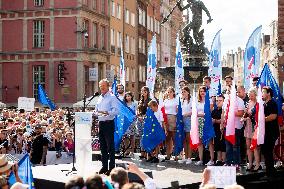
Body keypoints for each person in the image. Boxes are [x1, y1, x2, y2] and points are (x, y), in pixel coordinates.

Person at [96, 79, 118, 175]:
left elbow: (116, 111)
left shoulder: (112, 97)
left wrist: (106, 112)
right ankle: (104, 167)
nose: (101, 88)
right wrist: (94, 113)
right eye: (100, 86)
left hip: (109, 123)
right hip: (101, 123)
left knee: (110, 147)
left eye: (103, 86)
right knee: (103, 147)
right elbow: (97, 110)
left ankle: (112, 167)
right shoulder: (99, 98)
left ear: (108, 86)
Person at [261, 86, 280, 177]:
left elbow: (273, 116)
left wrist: (261, 119)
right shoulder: (264, 104)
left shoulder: (272, 103)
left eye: (263, 92)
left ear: (268, 93)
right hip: (265, 132)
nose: (262, 94)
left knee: (268, 151)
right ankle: (270, 171)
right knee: (265, 151)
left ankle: (270, 173)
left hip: (271, 132)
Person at [242, 87, 261, 171]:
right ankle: (250, 164)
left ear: (256, 95)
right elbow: (245, 114)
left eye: (252, 95)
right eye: (249, 95)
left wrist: (246, 118)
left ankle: (257, 164)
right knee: (248, 146)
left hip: (254, 127)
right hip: (247, 126)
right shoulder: (248, 103)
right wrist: (244, 117)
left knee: (255, 147)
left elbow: (256, 116)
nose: (250, 97)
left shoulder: (258, 104)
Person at [178, 86, 192, 164]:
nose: (183, 93)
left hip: (188, 120)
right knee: (183, 139)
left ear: (188, 92)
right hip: (181, 120)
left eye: (184, 92)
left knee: (188, 138)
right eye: (182, 92)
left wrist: (186, 114)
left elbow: (193, 111)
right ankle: (185, 156)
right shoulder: (181, 101)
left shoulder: (191, 100)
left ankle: (189, 157)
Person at [163, 87, 178, 161]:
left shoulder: (176, 100)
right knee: (167, 137)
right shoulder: (165, 100)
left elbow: (177, 110)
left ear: (173, 92)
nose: (169, 93)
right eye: (168, 92)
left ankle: (176, 155)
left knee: (174, 137)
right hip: (166, 118)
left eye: (170, 92)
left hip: (173, 117)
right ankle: (168, 154)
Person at [137, 86, 151, 159]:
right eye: (142, 91)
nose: (143, 93)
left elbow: (150, 111)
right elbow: (138, 110)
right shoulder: (140, 100)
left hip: (146, 120)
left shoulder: (149, 100)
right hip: (139, 120)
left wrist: (144, 117)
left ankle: (146, 152)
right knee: (141, 136)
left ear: (147, 92)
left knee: (145, 136)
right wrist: (139, 116)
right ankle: (142, 152)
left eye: (145, 91)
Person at [212, 95, 226, 165]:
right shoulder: (214, 110)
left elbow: (224, 120)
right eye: (217, 101)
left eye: (220, 101)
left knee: (223, 145)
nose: (218, 102)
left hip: (223, 130)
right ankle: (219, 159)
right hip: (216, 130)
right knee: (217, 145)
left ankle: (224, 160)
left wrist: (215, 120)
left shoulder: (225, 110)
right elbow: (211, 119)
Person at [124, 92, 138, 157]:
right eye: (126, 96)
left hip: (132, 122)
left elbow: (136, 112)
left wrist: (134, 118)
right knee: (125, 136)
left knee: (132, 136)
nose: (128, 97)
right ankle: (127, 150)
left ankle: (132, 150)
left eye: (129, 96)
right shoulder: (124, 104)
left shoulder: (134, 103)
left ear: (131, 96)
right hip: (125, 121)